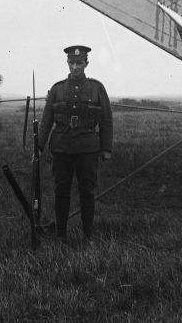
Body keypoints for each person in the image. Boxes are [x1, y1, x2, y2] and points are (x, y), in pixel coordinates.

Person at [38, 45, 113, 242]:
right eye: (72, 63)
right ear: (68, 63)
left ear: (86, 64)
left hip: (87, 148)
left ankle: (88, 235)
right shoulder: (57, 89)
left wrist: (106, 148)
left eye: (79, 63)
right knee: (61, 190)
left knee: (87, 191)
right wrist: (38, 147)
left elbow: (106, 119)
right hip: (61, 147)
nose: (75, 67)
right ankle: (60, 235)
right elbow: (46, 121)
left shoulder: (97, 88)